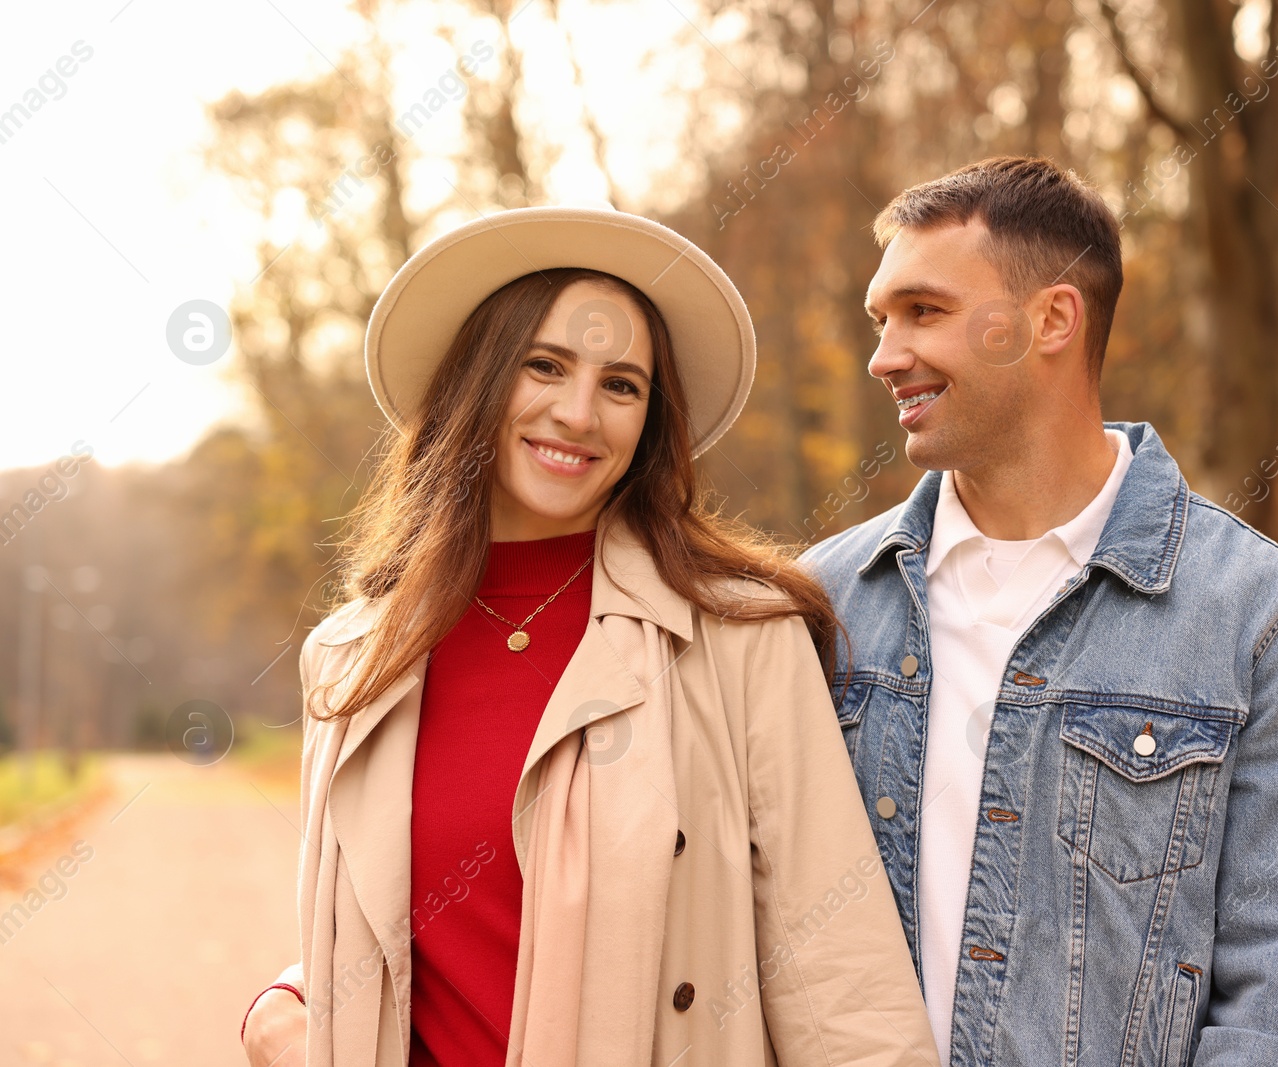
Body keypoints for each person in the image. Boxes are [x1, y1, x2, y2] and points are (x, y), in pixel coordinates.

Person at [239, 206, 938, 1067]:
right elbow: (389, 931)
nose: (578, 412)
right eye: (544, 365)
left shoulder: (738, 635)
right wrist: (288, 1003)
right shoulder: (354, 659)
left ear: (649, 420)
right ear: (479, 383)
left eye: (621, 384)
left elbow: (842, 981)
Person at [800, 157, 1278, 1066]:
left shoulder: (1262, 619)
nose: (884, 355)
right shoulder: (819, 604)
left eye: (924, 311)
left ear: (1052, 319)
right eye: (881, 320)